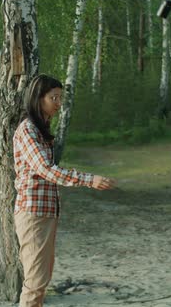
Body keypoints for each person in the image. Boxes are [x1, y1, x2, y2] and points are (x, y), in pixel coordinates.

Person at [13, 74, 116, 307]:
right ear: (38, 99)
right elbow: (45, 169)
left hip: (44, 213)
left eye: (60, 98)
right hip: (32, 214)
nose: (58, 104)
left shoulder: (40, 130)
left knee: (40, 280)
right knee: (35, 282)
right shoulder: (27, 130)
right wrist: (89, 180)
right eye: (54, 98)